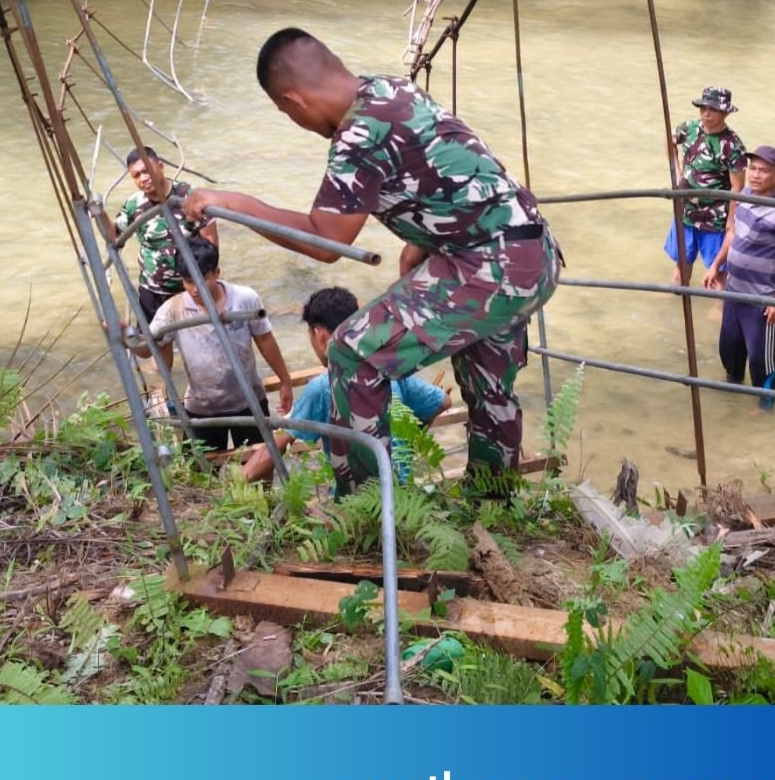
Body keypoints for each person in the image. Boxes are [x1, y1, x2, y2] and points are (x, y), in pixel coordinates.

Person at [182, 27, 562, 494]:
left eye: (286, 113)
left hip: (486, 265)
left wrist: (234, 204)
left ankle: (367, 507)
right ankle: (492, 502)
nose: (296, 122)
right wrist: (423, 242)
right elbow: (447, 167)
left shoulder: (357, 134)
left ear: (293, 100)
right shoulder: (391, 90)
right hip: (530, 254)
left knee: (352, 354)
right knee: (488, 388)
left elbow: (328, 241)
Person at [242, 287, 450, 484]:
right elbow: (443, 402)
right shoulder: (387, 368)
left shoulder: (323, 387)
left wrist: (238, 481)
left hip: (355, 498)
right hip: (401, 491)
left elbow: (275, 448)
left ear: (320, 335)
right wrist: (408, 439)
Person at [132, 236, 294, 451]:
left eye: (202, 280)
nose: (195, 290)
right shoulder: (172, 310)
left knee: (260, 461)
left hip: (249, 401)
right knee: (199, 468)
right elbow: (147, 350)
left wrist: (285, 381)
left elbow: (265, 339)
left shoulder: (244, 299)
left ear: (216, 273)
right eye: (188, 281)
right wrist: (126, 336)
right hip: (202, 407)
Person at [703, 146, 775, 410]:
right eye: (753, 169)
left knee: (761, 359)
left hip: (762, 300)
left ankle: (766, 406)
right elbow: (733, 232)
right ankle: (732, 398)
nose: (755, 175)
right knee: (729, 350)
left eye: (763, 171)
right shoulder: (744, 196)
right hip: (734, 291)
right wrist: (716, 265)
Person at [109, 146, 217, 322]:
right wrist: (98, 212)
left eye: (146, 170)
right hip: (152, 291)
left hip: (190, 289)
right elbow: (113, 236)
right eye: (136, 175)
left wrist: (207, 284)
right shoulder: (134, 204)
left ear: (160, 165)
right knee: (153, 336)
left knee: (197, 334)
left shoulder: (189, 197)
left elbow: (211, 243)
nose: (143, 178)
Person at [665, 86, 747, 287]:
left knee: (718, 273)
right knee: (681, 264)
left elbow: (738, 188)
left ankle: (721, 303)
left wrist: (731, 220)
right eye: (703, 108)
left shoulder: (732, 145)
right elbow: (670, 142)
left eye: (713, 109)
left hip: (715, 218)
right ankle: (678, 295)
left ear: (725, 113)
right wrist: (677, 173)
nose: (706, 113)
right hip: (685, 211)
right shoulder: (688, 129)